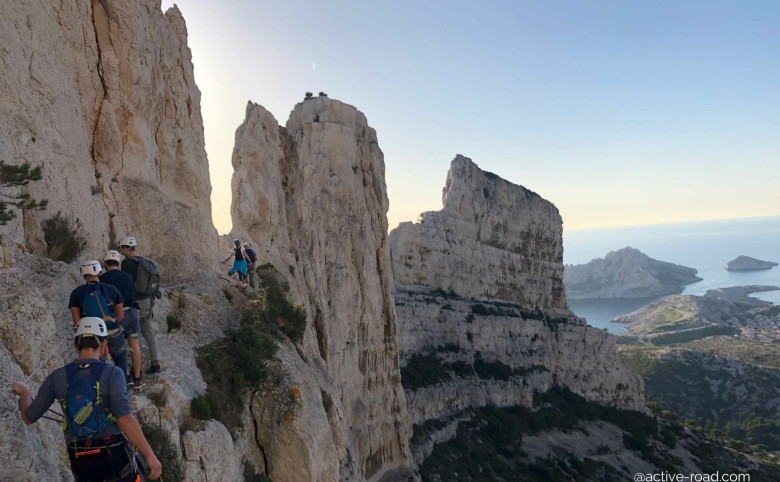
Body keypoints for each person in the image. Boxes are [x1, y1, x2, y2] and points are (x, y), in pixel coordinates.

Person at [11, 317, 163, 481]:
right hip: (112, 454)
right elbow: (124, 418)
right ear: (104, 345)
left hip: (80, 458)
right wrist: (149, 454)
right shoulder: (113, 373)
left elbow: (28, 417)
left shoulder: (57, 377)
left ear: (76, 345)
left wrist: (25, 392)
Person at [69, 260, 128, 380]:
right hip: (114, 332)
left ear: (83, 274)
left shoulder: (76, 293)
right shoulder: (112, 289)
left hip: (93, 337)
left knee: (98, 367)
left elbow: (77, 321)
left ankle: (100, 392)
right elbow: (120, 315)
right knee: (120, 360)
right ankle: (123, 390)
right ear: (99, 271)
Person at [101, 250, 145, 390]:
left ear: (106, 263)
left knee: (118, 348)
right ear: (118, 263)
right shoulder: (127, 277)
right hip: (132, 313)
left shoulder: (104, 279)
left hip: (117, 314)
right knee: (134, 345)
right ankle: (137, 378)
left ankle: (124, 378)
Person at [118, 236, 162, 375]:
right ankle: (155, 362)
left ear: (126, 248)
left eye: (122, 248)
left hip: (136, 303)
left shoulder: (127, 263)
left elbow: (126, 283)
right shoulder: (145, 262)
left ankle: (134, 371)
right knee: (148, 331)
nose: (121, 251)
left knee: (131, 333)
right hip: (149, 301)